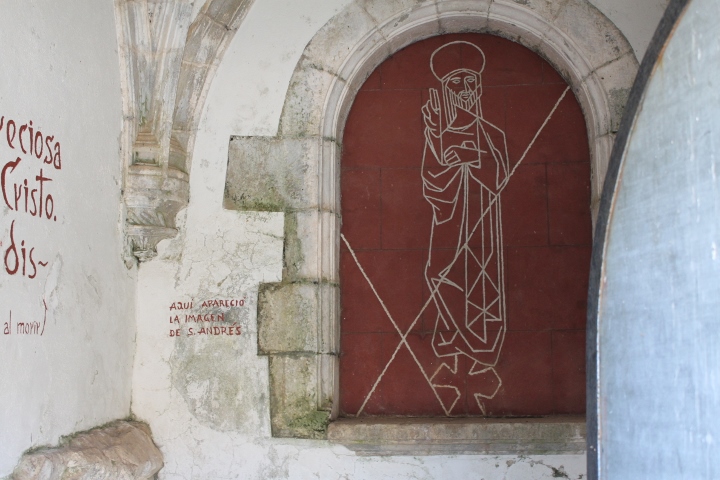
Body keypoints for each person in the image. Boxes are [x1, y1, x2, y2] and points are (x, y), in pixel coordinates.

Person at [421, 41, 510, 413]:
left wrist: (467, 155)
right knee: (438, 272)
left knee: (480, 284)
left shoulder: (492, 134)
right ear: (445, 89)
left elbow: (499, 176)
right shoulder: (437, 134)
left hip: (482, 227)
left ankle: (478, 348)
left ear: (479, 86)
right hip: (450, 220)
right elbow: (431, 182)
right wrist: (440, 143)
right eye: (455, 83)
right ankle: (452, 340)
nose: (464, 89)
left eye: (470, 81)